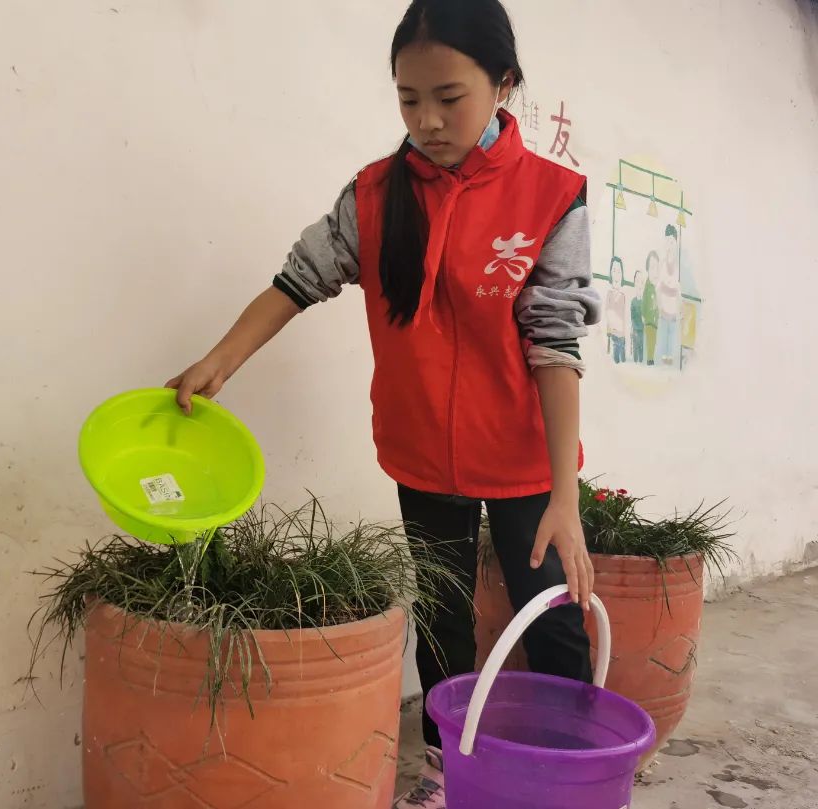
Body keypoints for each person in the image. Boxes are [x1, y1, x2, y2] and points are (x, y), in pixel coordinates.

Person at [167, 2, 600, 806]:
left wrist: (565, 498)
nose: (428, 120)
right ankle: (449, 769)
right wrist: (219, 361)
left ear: (503, 85)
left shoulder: (550, 195)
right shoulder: (373, 194)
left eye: (449, 96)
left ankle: (569, 770)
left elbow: (556, 345)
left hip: (522, 458)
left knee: (552, 618)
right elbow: (298, 281)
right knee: (439, 617)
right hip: (420, 452)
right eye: (408, 99)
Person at [655, 224, 682, 366]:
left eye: (672, 241)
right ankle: (663, 358)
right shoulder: (663, 263)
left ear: (676, 243)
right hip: (664, 304)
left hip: (673, 305)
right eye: (668, 241)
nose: (670, 244)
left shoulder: (677, 265)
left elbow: (677, 288)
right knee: (664, 334)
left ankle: (670, 358)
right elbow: (659, 285)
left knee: (672, 335)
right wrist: (659, 305)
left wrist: (679, 306)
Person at [606, 257, 626, 364]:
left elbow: (625, 316)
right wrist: (609, 332)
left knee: (623, 361)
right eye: (614, 270)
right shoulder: (609, 294)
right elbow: (607, 313)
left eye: (619, 271)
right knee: (615, 361)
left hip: (622, 336)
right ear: (610, 273)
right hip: (613, 335)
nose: (617, 273)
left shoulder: (623, 295)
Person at [642, 251, 660, 366]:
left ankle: (651, 358)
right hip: (648, 320)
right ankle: (649, 359)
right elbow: (644, 302)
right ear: (647, 269)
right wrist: (643, 315)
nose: (655, 271)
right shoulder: (647, 287)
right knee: (650, 340)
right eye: (652, 267)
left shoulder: (656, 286)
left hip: (655, 320)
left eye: (657, 267)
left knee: (653, 341)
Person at [630, 266, 647, 363]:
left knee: (642, 347)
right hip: (636, 329)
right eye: (637, 281)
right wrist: (632, 328)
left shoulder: (644, 301)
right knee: (636, 346)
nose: (640, 285)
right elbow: (632, 316)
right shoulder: (633, 301)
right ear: (634, 283)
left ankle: (641, 361)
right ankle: (636, 362)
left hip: (643, 329)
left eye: (642, 282)